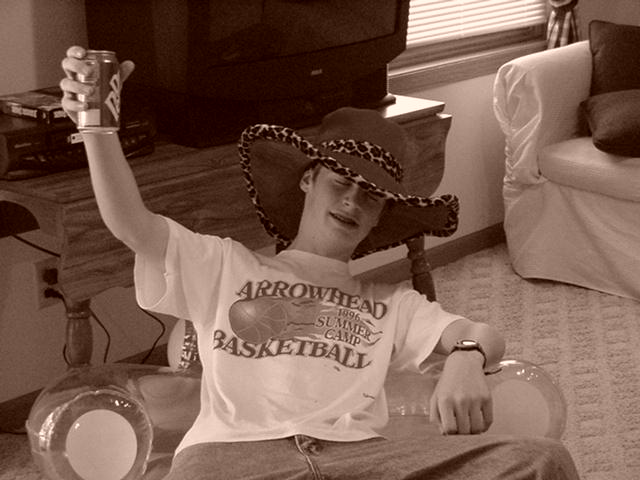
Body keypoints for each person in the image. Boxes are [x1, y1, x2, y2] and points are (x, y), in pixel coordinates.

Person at [61, 46, 580, 480]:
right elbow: (132, 225)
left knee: (541, 460)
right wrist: (98, 131)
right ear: (309, 179)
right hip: (233, 457)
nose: (352, 201)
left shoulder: (390, 303)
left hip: (361, 460)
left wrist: (465, 356)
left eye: (370, 196)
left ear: (379, 217)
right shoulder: (224, 266)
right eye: (340, 182)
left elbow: (480, 333)